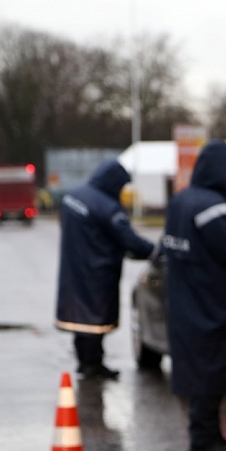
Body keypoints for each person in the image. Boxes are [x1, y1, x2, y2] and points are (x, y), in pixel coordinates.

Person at [163, 139, 226, 451]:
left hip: (188, 300)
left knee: (200, 373)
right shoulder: (212, 208)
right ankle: (205, 441)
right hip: (213, 302)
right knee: (210, 374)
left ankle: (204, 436)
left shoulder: (181, 201)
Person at [56, 159, 155, 380]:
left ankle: (85, 362)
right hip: (97, 272)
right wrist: (153, 251)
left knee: (79, 318)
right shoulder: (107, 207)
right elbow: (128, 239)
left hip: (74, 268)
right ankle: (93, 364)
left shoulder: (72, 196)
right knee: (94, 319)